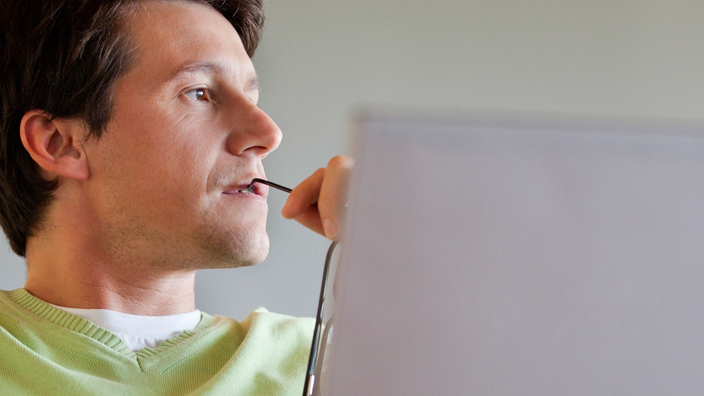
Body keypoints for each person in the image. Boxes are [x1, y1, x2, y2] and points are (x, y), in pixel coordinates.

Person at [0, 0, 352, 394]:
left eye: (252, 99)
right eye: (199, 93)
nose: (268, 134)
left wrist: (409, 270)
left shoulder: (336, 364)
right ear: (59, 143)